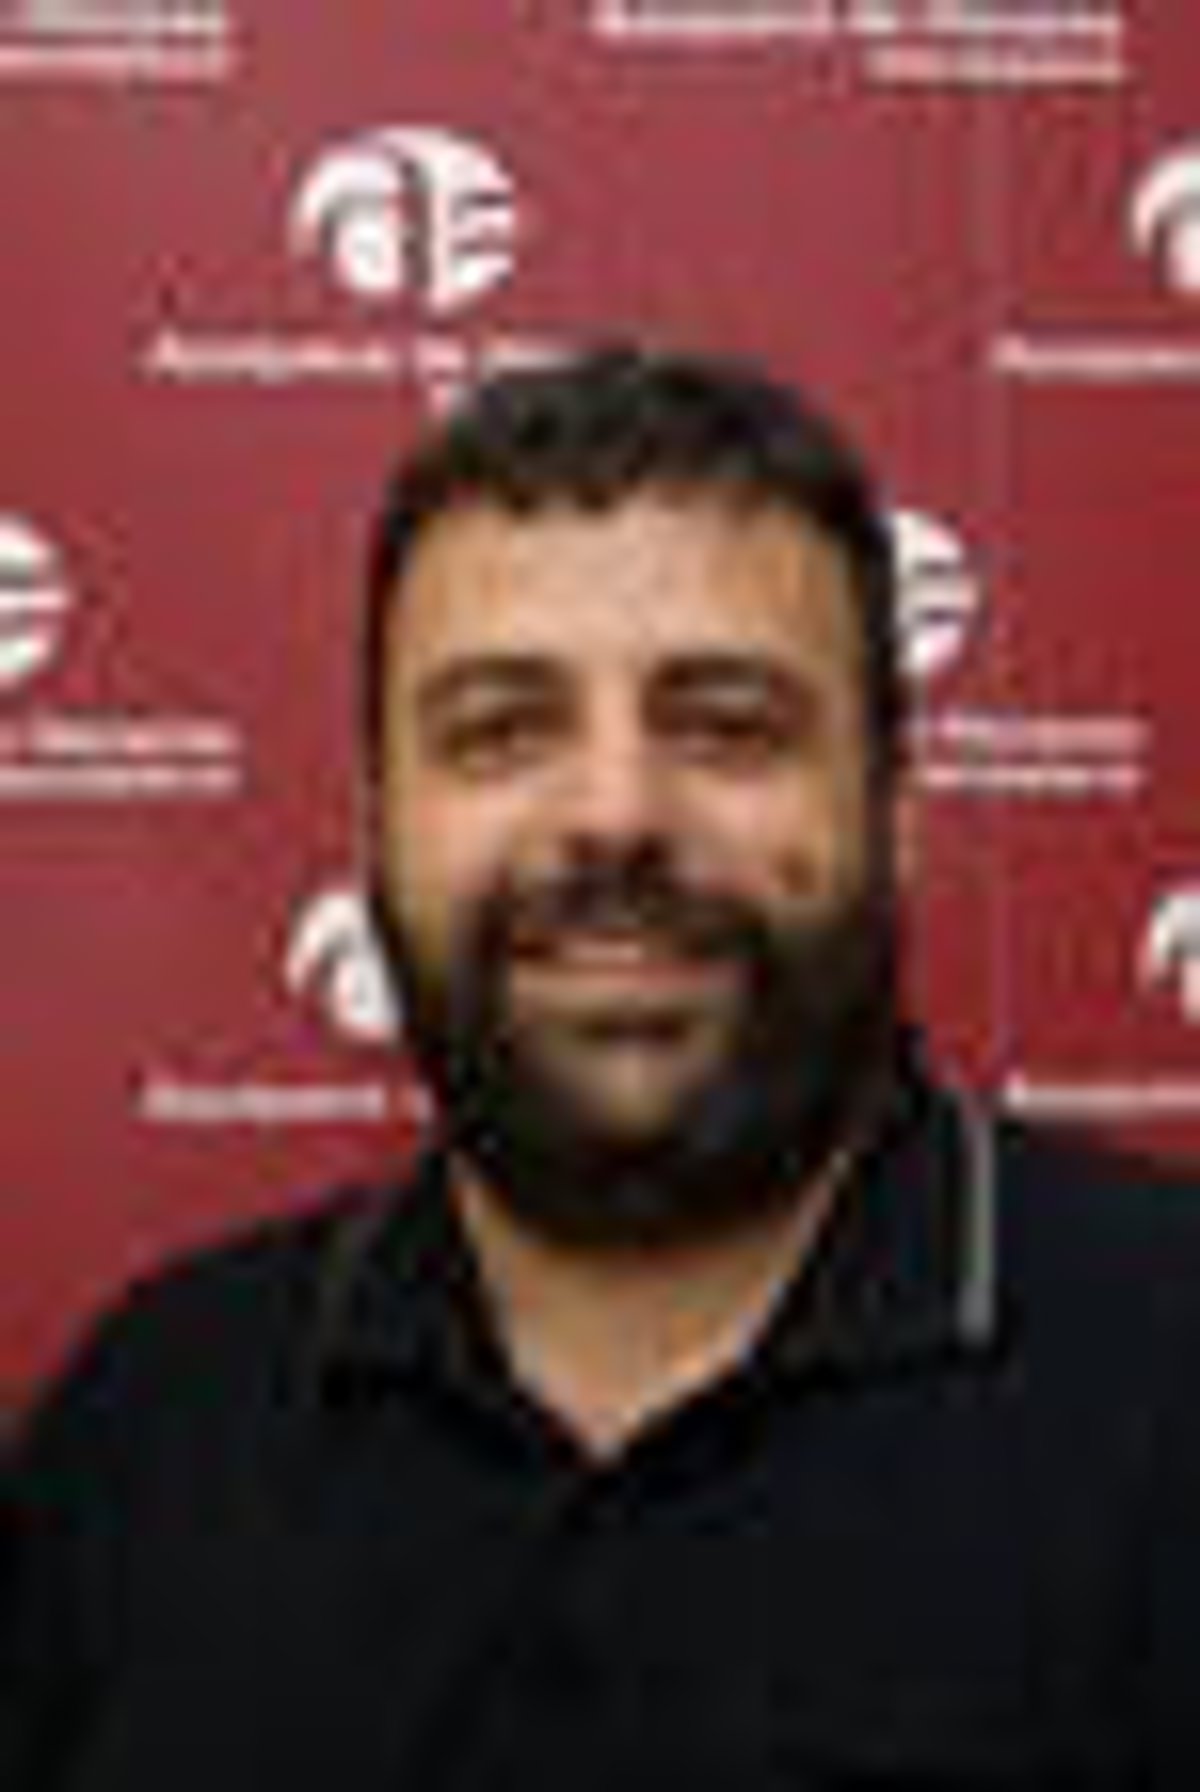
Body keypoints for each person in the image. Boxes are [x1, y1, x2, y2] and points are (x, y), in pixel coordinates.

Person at [4, 343, 1200, 1790]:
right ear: (376, 829)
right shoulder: (152, 1421)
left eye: (727, 727)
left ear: (897, 812)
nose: (617, 816)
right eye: (502, 730)